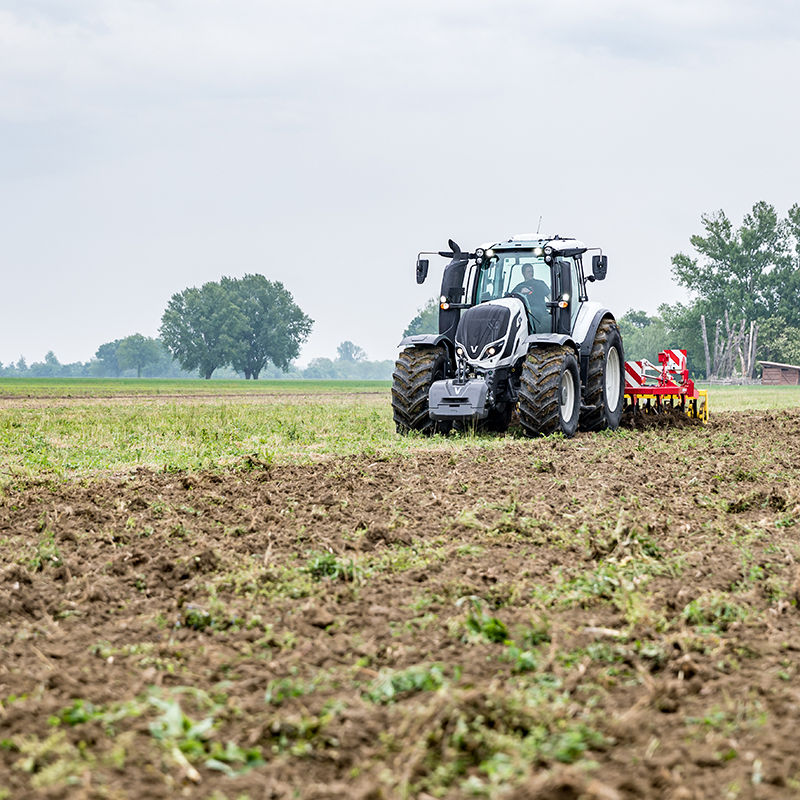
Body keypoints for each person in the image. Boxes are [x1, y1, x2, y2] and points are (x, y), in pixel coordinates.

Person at [512, 263, 550, 332]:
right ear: (523, 273)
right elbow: (512, 299)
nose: (531, 273)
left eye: (532, 271)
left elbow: (550, 296)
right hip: (524, 315)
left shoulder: (540, 284)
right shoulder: (519, 287)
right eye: (528, 272)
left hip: (540, 313)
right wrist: (520, 292)